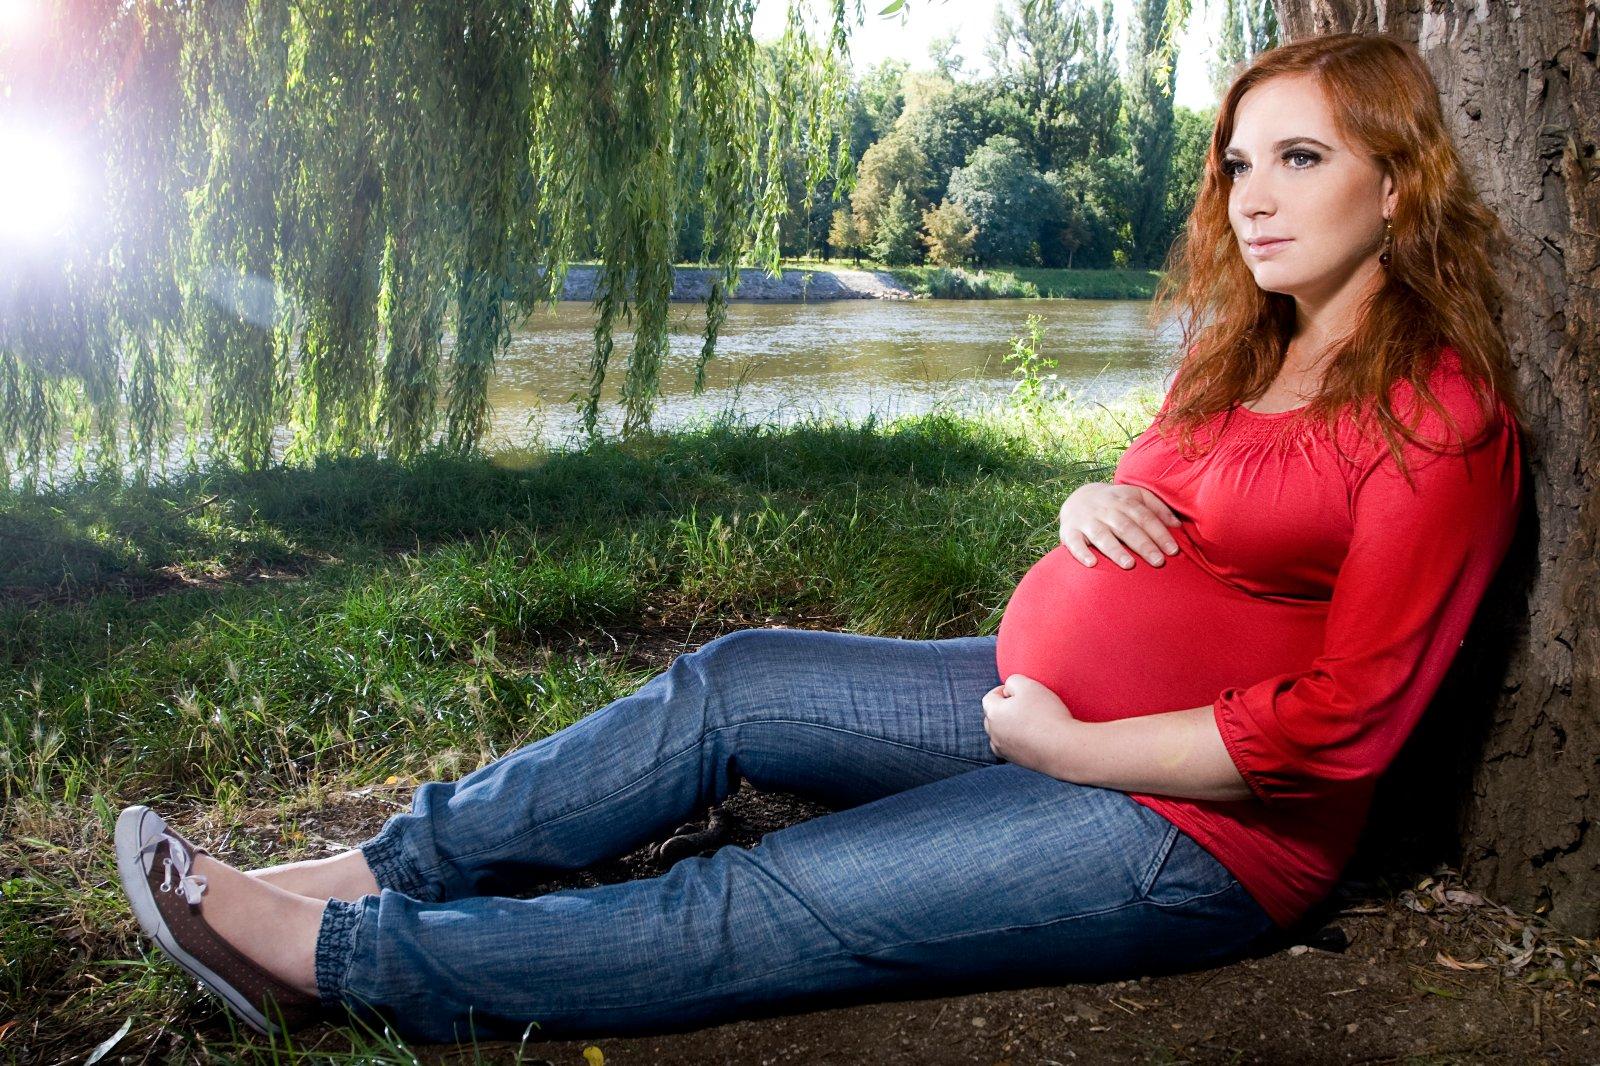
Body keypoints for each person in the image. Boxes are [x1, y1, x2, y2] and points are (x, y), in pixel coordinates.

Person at [114, 31, 1527, 1043]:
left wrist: (1071, 750)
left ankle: (332, 962)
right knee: (734, 678)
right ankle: (369, 871)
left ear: (1399, 184)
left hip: (1189, 831)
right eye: (1238, 162)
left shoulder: (1441, 421)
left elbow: (1344, 723)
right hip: (1035, 701)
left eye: (1300, 159)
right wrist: (1081, 502)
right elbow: (1180, 508)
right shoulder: (1244, 348)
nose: (1252, 197)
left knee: (756, 901)